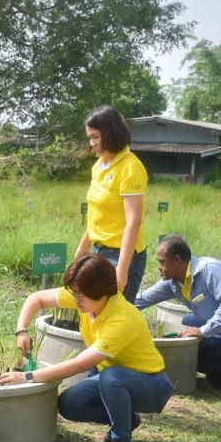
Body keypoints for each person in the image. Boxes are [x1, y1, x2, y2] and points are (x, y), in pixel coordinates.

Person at [1, 254, 172, 442]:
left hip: (151, 385)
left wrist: (26, 377)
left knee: (112, 377)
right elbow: (37, 298)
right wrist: (22, 329)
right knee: (70, 404)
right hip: (117, 379)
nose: (75, 300)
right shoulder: (85, 299)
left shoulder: (121, 318)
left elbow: (81, 364)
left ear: (100, 289)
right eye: (74, 293)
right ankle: (126, 421)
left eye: (80, 295)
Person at [134, 235, 221, 398]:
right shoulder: (173, 281)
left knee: (192, 356)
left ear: (177, 260)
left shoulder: (209, 269)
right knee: (188, 322)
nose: (159, 267)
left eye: (162, 262)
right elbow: (142, 299)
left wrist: (203, 331)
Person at [75, 106, 148, 303]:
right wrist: (82, 250)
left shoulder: (130, 168)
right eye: (89, 138)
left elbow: (134, 222)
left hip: (121, 255)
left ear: (111, 132)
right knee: (93, 311)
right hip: (98, 251)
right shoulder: (99, 166)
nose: (92, 143)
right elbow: (97, 214)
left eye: (96, 137)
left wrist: (121, 271)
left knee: (114, 317)